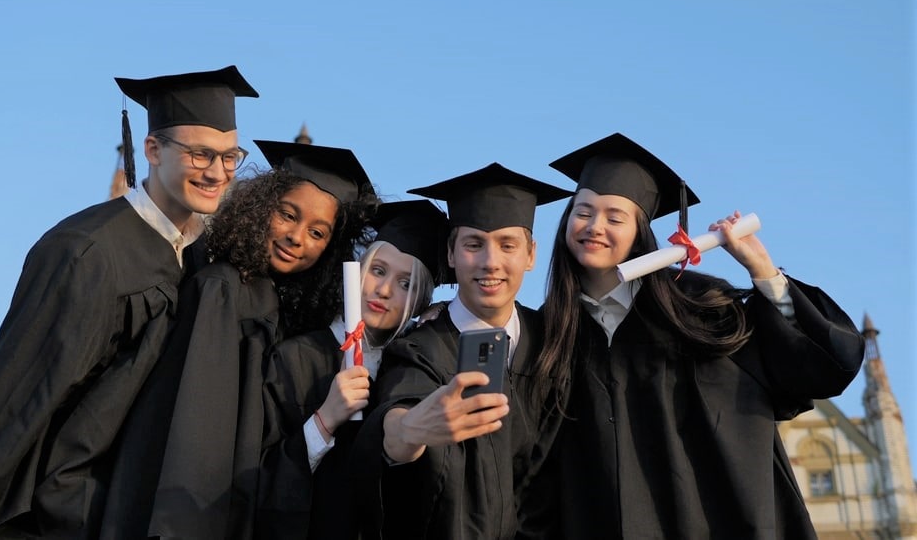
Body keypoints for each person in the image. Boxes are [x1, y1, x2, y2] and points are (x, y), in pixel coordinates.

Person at [0, 66, 258, 539]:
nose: (218, 172)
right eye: (201, 154)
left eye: (230, 157)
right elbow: (18, 391)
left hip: (148, 508)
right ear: (152, 149)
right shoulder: (85, 249)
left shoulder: (209, 259)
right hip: (65, 513)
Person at [535, 132, 866, 539]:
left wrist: (763, 270)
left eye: (614, 217)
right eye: (582, 212)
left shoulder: (700, 309)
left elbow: (819, 367)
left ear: (639, 231)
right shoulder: (548, 334)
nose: (594, 227)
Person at [99, 139, 378, 539]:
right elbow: (192, 437)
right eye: (287, 214)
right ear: (261, 206)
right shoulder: (221, 290)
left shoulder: (288, 315)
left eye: (317, 232)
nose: (297, 237)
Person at [352, 163, 573, 539]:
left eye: (507, 245)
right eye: (473, 244)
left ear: (531, 254)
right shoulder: (419, 348)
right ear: (452, 254)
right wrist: (410, 429)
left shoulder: (557, 341)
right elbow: (397, 412)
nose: (490, 262)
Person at [256, 199, 450, 540]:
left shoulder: (411, 375)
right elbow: (258, 477)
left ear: (421, 302)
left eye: (407, 284)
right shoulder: (295, 356)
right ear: (357, 270)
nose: (384, 290)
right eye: (378, 270)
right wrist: (325, 420)